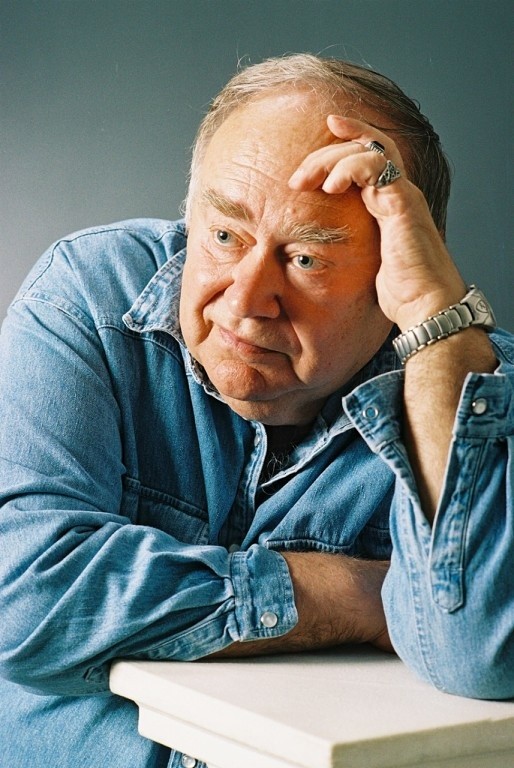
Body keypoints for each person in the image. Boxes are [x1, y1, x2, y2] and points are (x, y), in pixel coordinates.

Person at [0, 53, 512, 768]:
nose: (245, 301)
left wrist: (435, 315)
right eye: (224, 235)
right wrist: (363, 596)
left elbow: (481, 653)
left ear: (397, 268)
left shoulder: (467, 382)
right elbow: (21, 600)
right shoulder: (91, 297)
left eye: (306, 259)